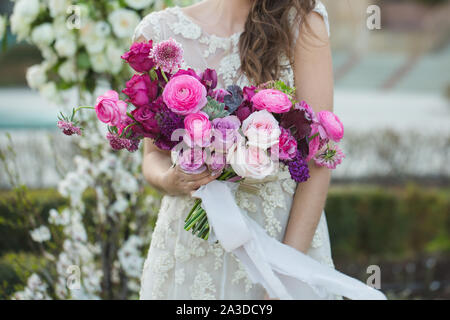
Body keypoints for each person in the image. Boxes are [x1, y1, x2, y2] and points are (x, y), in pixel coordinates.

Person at [135, 0, 336, 299]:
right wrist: (170, 180)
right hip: (189, 253)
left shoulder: (302, 23)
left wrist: (283, 280)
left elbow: (319, 159)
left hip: (280, 243)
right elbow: (153, 156)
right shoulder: (159, 32)